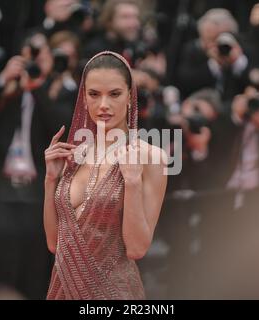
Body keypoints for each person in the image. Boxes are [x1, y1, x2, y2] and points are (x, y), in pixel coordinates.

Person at [43, 51, 168, 299]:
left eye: (114, 94)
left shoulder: (151, 157)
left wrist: (132, 182)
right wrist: (50, 181)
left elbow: (137, 248)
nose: (103, 105)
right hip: (62, 290)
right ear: (84, 98)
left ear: (130, 97)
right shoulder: (73, 155)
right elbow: (54, 243)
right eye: (94, 94)